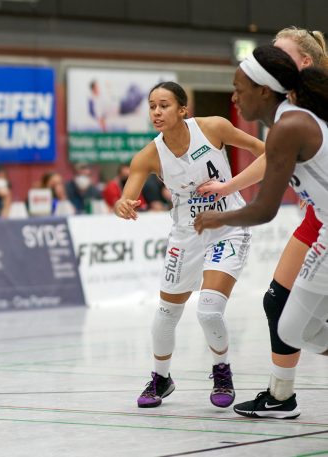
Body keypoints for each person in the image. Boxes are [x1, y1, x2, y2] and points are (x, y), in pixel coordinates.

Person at [196, 27, 328, 419]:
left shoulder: (292, 124)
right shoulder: (289, 121)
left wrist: (218, 216)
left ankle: (281, 396)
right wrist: (228, 190)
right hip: (322, 223)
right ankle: (281, 395)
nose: (233, 97)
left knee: (291, 322)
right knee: (289, 327)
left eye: (239, 87)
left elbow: (264, 210)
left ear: (266, 88)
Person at [113, 81, 265, 409]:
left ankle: (222, 371)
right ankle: (161, 378)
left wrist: (230, 186)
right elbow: (126, 195)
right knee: (167, 312)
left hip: (228, 227)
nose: (156, 111)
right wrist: (123, 205)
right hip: (186, 234)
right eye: (152, 105)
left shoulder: (214, 128)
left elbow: (268, 153)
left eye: (164, 105)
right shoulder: (148, 155)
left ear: (183, 109)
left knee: (209, 310)